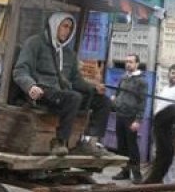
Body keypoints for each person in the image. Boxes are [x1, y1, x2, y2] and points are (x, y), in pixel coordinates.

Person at [12, 12, 111, 157]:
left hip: (62, 94)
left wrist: (94, 88)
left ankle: (89, 141)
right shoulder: (35, 43)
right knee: (73, 97)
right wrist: (30, 86)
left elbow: (76, 80)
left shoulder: (68, 54)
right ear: (55, 25)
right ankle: (60, 142)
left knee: (103, 101)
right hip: (43, 91)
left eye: (70, 28)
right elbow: (20, 70)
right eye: (65, 26)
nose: (68, 30)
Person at [143, 64, 175, 184]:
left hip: (171, 125)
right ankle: (160, 180)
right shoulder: (165, 88)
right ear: (168, 74)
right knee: (159, 153)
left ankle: (170, 182)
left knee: (172, 155)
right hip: (159, 125)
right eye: (173, 73)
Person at [110, 53, 148, 183]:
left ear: (137, 64)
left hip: (131, 117)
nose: (128, 64)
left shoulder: (141, 81)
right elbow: (117, 93)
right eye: (126, 62)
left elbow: (142, 102)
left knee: (132, 146)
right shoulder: (123, 77)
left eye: (131, 62)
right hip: (120, 115)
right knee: (121, 145)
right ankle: (124, 171)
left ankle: (137, 174)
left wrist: (138, 120)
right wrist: (115, 101)